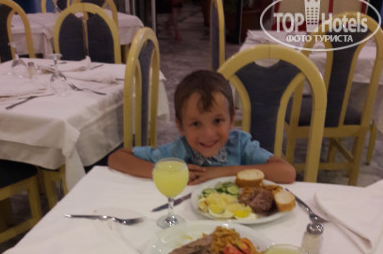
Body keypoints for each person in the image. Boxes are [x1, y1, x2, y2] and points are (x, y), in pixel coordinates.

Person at [108, 70, 297, 185]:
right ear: (181, 126)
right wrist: (166, 172)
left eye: (217, 121)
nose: (207, 134)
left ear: (231, 119)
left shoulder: (240, 144)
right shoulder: (178, 151)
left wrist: (222, 172)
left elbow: (287, 172)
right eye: (196, 124)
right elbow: (117, 158)